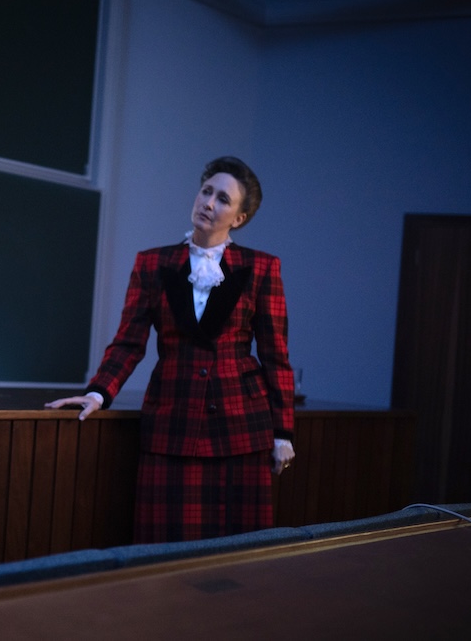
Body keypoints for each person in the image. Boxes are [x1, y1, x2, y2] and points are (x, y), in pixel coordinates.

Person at [46, 156, 295, 543]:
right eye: (206, 191)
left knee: (242, 555)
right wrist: (99, 393)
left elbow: (276, 357)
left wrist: (283, 433)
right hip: (171, 424)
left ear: (239, 218)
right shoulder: (153, 263)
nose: (209, 203)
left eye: (223, 199)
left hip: (242, 428)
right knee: (162, 551)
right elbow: (129, 341)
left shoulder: (262, 268)